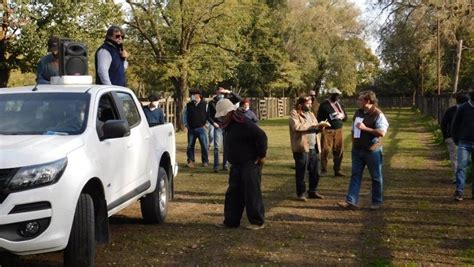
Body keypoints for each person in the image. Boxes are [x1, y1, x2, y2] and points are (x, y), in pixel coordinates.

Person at [214, 99, 268, 230]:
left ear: (229, 113)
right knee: (233, 194)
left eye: (222, 115)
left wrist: (261, 155)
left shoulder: (244, 123)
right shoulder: (229, 125)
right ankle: (231, 221)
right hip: (236, 164)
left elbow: (261, 136)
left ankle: (257, 221)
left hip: (249, 163)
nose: (221, 118)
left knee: (251, 193)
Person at [338, 90, 389, 210]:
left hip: (372, 151)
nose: (358, 101)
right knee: (355, 175)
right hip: (357, 150)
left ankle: (376, 201)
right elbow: (352, 129)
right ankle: (351, 201)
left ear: (368, 101)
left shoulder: (378, 114)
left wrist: (365, 128)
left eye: (360, 99)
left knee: (376, 176)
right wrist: (354, 142)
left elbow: (381, 132)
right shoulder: (358, 112)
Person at [289, 96, 327, 201]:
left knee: (316, 171)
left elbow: (316, 126)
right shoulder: (294, 113)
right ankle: (301, 193)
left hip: (314, 146)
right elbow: (297, 127)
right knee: (301, 172)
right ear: (301, 104)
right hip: (302, 147)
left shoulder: (311, 114)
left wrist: (320, 127)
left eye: (311, 103)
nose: (310, 105)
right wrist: (312, 126)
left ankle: (313, 191)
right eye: (308, 103)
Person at [206, 87, 242, 172]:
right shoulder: (212, 102)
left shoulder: (229, 100)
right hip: (217, 126)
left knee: (227, 146)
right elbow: (208, 115)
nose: (221, 95)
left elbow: (239, 99)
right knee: (217, 147)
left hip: (227, 126)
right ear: (216, 93)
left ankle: (225, 164)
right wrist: (213, 123)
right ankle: (216, 166)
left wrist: (230, 92)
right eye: (220, 93)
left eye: (223, 93)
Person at [317, 88, 348, 176]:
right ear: (331, 95)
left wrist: (342, 116)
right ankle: (324, 170)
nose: (337, 97)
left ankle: (337, 170)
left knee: (339, 150)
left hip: (339, 130)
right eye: (335, 95)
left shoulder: (340, 105)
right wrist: (323, 124)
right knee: (325, 150)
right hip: (327, 131)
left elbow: (346, 118)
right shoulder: (324, 105)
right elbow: (319, 118)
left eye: (338, 95)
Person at [440, 93, 469, 183]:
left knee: (459, 159)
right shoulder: (451, 111)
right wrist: (447, 137)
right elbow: (443, 124)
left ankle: (462, 176)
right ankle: (457, 177)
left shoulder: (466, 110)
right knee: (455, 158)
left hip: (466, 138)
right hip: (453, 138)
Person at [451, 91, 474, 201]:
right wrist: (456, 139)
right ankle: (459, 191)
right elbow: (455, 125)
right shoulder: (462, 108)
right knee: (461, 166)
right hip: (464, 142)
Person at [183, 89, 209, 168]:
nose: (193, 96)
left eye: (194, 95)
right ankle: (191, 161)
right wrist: (186, 124)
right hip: (191, 129)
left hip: (202, 128)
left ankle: (205, 161)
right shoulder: (188, 105)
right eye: (192, 95)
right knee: (190, 146)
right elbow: (184, 115)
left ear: (199, 96)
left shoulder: (205, 104)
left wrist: (206, 124)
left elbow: (208, 115)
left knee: (204, 146)